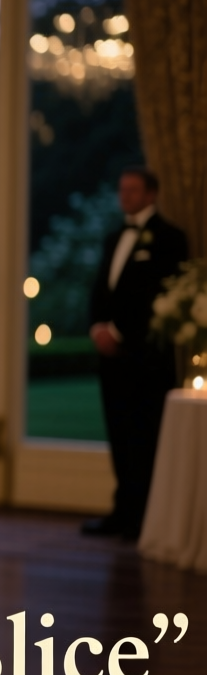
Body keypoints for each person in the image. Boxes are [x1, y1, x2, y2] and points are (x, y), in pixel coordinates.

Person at [83, 167, 189, 538]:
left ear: (151, 194)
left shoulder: (170, 238)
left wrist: (120, 333)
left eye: (132, 190)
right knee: (117, 432)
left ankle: (144, 517)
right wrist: (97, 326)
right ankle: (122, 510)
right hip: (110, 358)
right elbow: (102, 288)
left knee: (144, 434)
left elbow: (158, 297)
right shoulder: (114, 237)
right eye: (122, 189)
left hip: (144, 358)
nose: (124, 196)